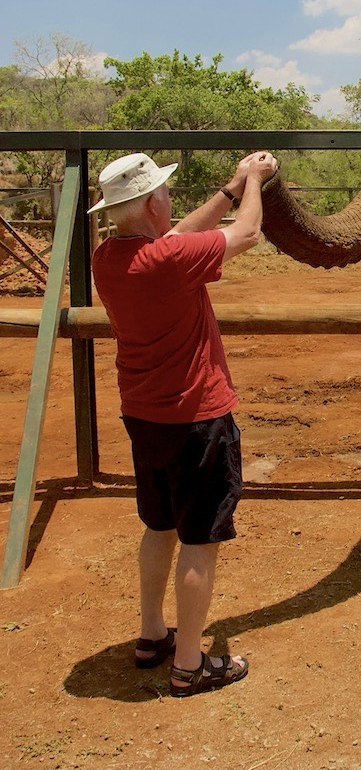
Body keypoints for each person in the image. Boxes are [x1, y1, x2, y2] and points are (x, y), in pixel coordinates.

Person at [89, 149, 278, 697]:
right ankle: (191, 664)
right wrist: (256, 184)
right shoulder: (167, 263)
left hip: (143, 415)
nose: (172, 201)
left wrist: (228, 188)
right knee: (199, 538)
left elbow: (174, 239)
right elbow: (244, 236)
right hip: (197, 418)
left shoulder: (109, 257)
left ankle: (153, 635)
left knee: (159, 524)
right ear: (152, 203)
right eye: (165, 194)